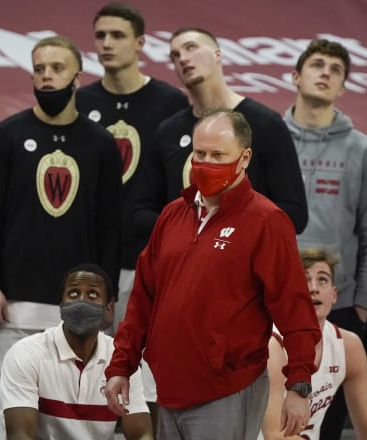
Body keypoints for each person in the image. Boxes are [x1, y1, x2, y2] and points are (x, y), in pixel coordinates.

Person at [105, 109, 320, 440]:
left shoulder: (266, 221)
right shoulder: (172, 215)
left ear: (245, 157)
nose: (205, 163)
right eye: (199, 153)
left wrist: (299, 385)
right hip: (169, 386)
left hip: (226, 389)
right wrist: (121, 365)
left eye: (218, 155)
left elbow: (295, 309)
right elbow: (143, 299)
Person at [0, 35, 123, 372]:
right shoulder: (6, 135)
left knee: (73, 407)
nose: (46, 75)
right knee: (13, 409)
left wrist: (107, 293)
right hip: (14, 301)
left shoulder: (100, 143)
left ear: (77, 77)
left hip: (80, 302)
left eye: (57, 68)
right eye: (39, 68)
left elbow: (110, 226)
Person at [284, 38, 367, 439]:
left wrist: (360, 307)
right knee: (269, 414)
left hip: (339, 305)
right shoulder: (268, 140)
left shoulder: (364, 151)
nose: (326, 72)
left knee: (326, 424)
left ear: (344, 86)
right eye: (317, 64)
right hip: (271, 301)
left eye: (336, 68)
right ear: (295, 76)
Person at [77, 2, 189, 335]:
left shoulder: (169, 102)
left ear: (140, 42)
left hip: (147, 257)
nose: (106, 44)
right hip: (91, 257)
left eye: (117, 35)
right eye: (100, 36)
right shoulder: (80, 102)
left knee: (144, 367)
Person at [134, 27, 307, 242]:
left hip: (243, 264)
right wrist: (184, 227)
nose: (183, 59)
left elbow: (295, 213)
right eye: (175, 55)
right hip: (183, 265)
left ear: (218, 54)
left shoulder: (265, 124)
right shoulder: (167, 132)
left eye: (191, 48)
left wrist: (227, 228)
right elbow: (141, 212)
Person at [0, 263, 152, 439]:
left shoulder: (121, 360)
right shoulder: (26, 353)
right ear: (61, 305)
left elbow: (141, 434)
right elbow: (20, 435)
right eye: (73, 293)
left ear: (109, 308)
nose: (81, 301)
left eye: (92, 294)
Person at [260, 249, 367, 440]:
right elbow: (275, 436)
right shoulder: (273, 346)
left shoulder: (348, 346)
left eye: (322, 280)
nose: (314, 288)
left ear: (334, 295)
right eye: (304, 280)